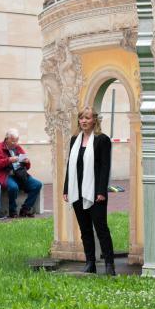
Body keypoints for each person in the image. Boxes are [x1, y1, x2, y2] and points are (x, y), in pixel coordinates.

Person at [63, 107, 115, 276]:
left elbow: (104, 168)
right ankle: (90, 262)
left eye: (87, 118)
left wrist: (101, 192)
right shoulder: (74, 140)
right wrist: (66, 189)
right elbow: (70, 166)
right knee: (85, 229)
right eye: (81, 118)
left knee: (101, 228)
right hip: (77, 191)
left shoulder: (102, 140)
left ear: (94, 120)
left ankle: (109, 264)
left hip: (95, 192)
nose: (83, 121)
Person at [0, 128, 42, 218]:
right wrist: (9, 160)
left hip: (20, 174)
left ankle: (25, 209)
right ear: (7, 139)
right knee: (13, 187)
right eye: (12, 141)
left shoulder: (17, 148)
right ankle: (12, 210)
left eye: (16, 141)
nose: (15, 143)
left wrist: (27, 162)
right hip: (6, 175)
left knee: (37, 184)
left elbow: (27, 167)